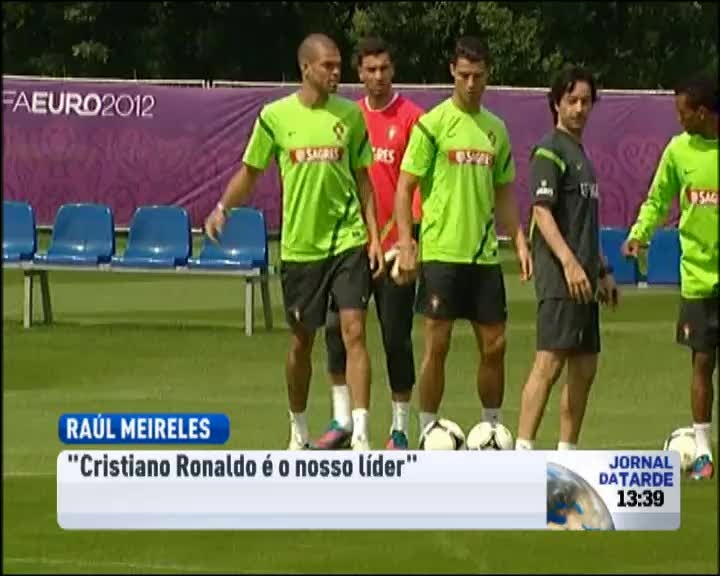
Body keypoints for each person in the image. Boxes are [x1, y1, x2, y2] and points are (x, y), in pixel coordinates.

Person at [204, 33, 384, 451]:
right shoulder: (274, 117)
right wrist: (222, 208)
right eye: (328, 66)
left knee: (354, 330)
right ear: (306, 68)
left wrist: (374, 237)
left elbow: (363, 180)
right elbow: (250, 172)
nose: (336, 73)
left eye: (338, 65)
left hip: (348, 240)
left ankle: (361, 435)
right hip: (301, 247)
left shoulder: (351, 116)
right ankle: (298, 429)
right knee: (302, 342)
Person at [394, 35, 532, 442]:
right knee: (437, 346)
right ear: (452, 72)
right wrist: (406, 242)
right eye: (465, 75)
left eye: (479, 75)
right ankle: (427, 430)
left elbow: (503, 192)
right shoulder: (432, 124)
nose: (472, 83)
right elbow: (405, 187)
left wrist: (519, 240)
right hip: (441, 253)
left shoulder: (496, 130)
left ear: (489, 75)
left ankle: (491, 429)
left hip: (484, 257)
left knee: (495, 345)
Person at [312, 37, 424, 450]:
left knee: (396, 338)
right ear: (359, 73)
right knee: (336, 333)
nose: (378, 77)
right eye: (370, 69)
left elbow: (417, 186)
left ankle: (399, 429)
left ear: (393, 70)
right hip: (350, 247)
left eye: (384, 69)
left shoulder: (413, 118)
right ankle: (343, 421)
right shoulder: (347, 117)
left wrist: (408, 241)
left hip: (394, 248)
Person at [515, 65, 619, 452]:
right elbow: (542, 213)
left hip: (585, 278)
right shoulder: (550, 150)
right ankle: (522, 450)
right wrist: (570, 264)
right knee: (550, 362)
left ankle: (567, 454)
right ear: (556, 102)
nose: (579, 108)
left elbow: (584, 223)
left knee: (585, 366)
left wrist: (602, 270)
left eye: (585, 101)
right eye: (571, 100)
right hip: (561, 277)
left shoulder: (581, 155)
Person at [622, 74, 718, 480]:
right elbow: (658, 198)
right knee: (702, 363)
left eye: (684, 112)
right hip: (697, 279)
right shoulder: (678, 151)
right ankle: (704, 453)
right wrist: (638, 234)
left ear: (703, 112)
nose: (679, 119)